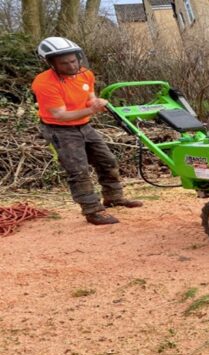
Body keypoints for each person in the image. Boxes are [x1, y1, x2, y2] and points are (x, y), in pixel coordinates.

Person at [31, 37, 142, 225]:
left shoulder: (85, 74)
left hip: (84, 125)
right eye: (64, 63)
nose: (71, 66)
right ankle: (92, 210)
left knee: (107, 160)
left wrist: (96, 103)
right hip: (60, 130)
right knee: (78, 170)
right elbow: (60, 115)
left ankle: (113, 197)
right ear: (52, 64)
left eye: (73, 60)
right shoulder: (44, 83)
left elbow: (89, 97)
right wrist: (92, 110)